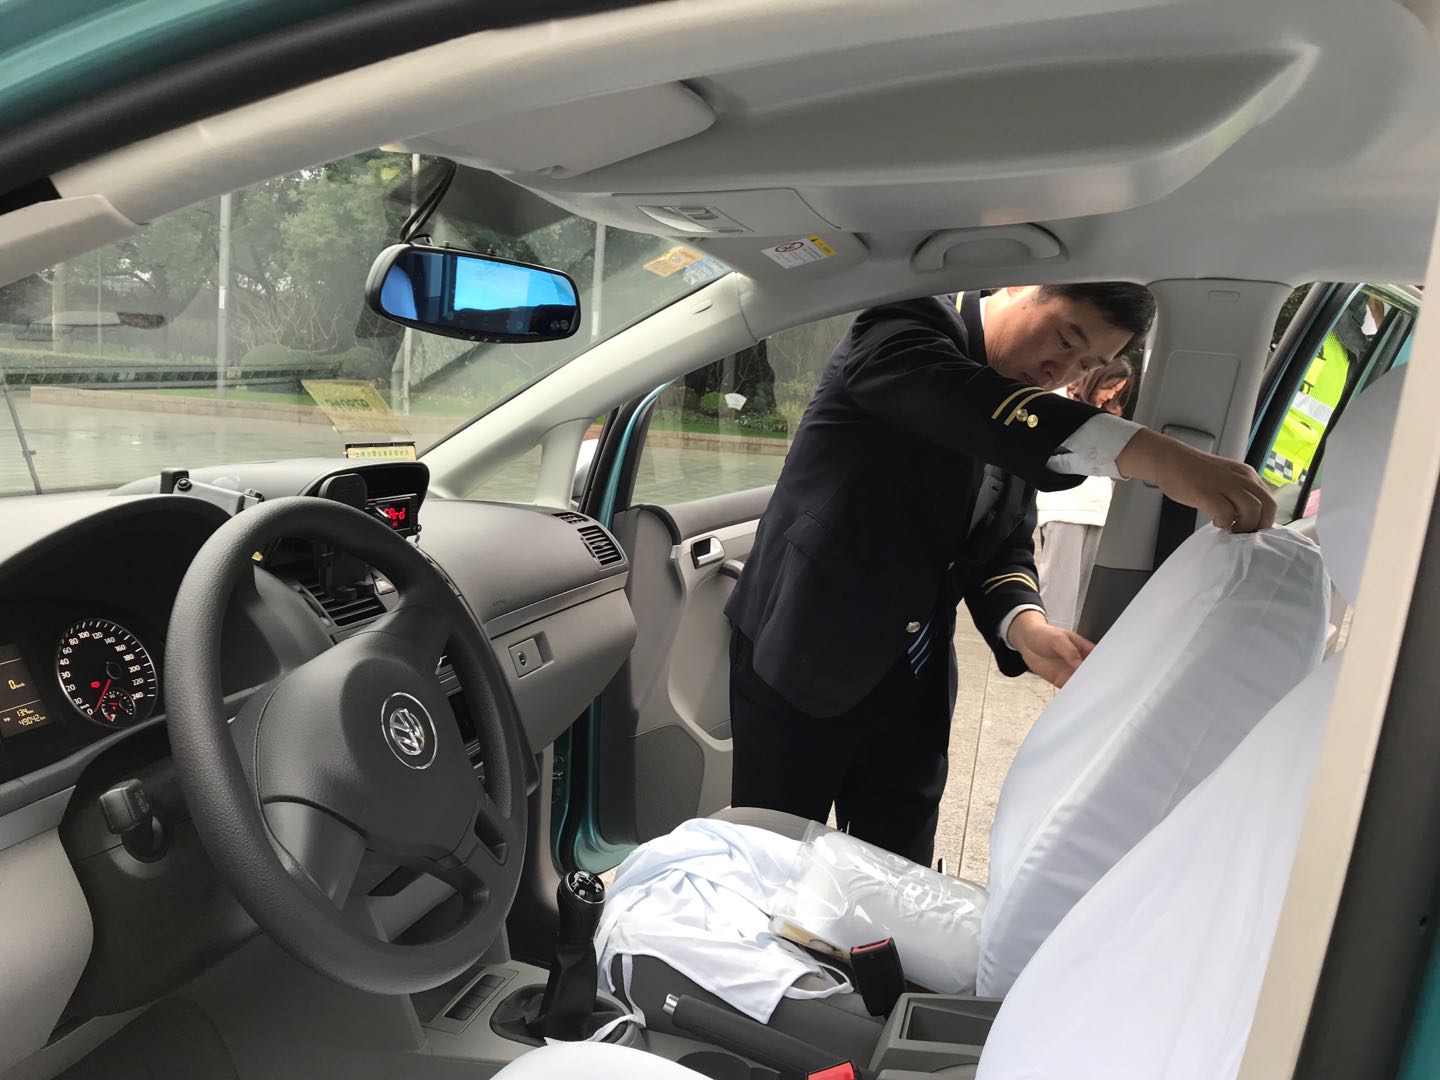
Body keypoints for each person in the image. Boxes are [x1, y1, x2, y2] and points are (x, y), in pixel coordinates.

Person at [723, 285, 1276, 866]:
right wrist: (1155, 455)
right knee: (772, 862)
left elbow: (1000, 545)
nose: (1060, 370)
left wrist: (1026, 626)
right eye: (1065, 338)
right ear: (1020, 287)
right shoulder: (905, 325)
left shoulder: (1022, 414)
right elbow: (959, 403)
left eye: (1086, 364)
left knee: (899, 872)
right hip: (802, 650)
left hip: (915, 677)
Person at [1033, 357, 1134, 630]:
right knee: (1058, 588)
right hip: (1065, 507)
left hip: (1098, 510)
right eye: (1110, 387)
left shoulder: (1106, 415)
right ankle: (1046, 640)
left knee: (1083, 594)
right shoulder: (1056, 401)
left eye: (1117, 391)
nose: (1111, 396)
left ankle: (1068, 641)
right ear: (1095, 378)